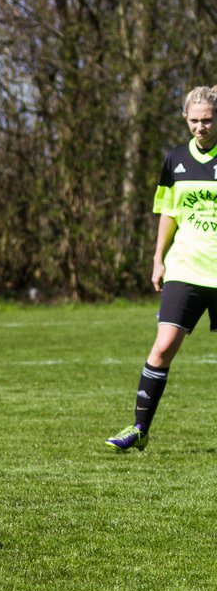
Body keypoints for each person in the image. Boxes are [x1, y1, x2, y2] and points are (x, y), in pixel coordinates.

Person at [106, 85, 217, 451]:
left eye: (207, 120)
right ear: (186, 119)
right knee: (163, 345)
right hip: (185, 268)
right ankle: (139, 429)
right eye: (194, 120)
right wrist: (158, 259)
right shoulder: (174, 160)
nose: (200, 127)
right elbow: (168, 212)